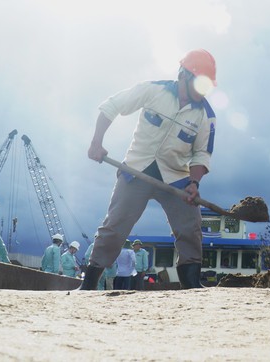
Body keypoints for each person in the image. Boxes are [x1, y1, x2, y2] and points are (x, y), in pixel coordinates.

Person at [80, 49, 218, 290]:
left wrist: (194, 184)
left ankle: (192, 286)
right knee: (115, 226)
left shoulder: (206, 116)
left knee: (190, 228)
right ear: (184, 76)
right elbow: (112, 106)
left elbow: (201, 154)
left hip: (175, 178)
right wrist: (96, 142)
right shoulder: (153, 90)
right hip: (136, 171)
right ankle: (89, 283)